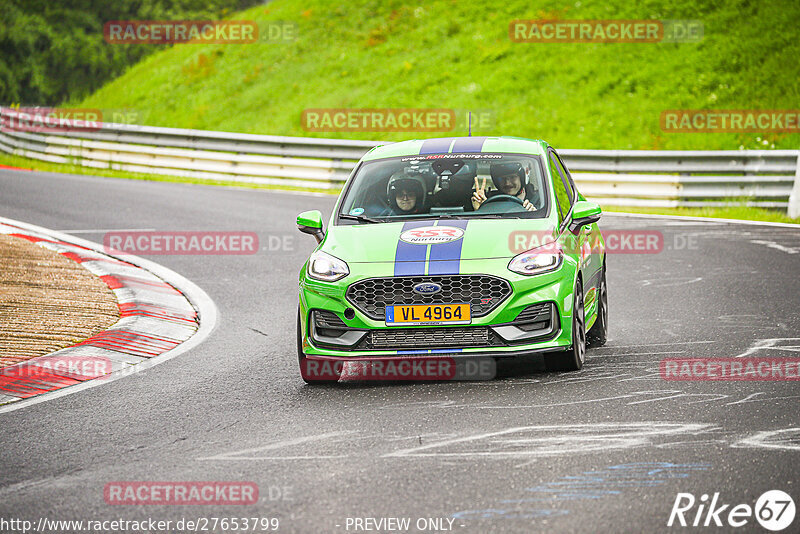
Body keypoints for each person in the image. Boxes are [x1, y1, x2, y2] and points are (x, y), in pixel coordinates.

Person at [471, 161, 540, 212]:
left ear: (521, 178)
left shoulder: (539, 200)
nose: (507, 183)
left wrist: (534, 214)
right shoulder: (488, 200)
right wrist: (480, 210)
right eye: (502, 179)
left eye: (513, 177)